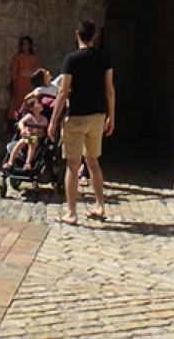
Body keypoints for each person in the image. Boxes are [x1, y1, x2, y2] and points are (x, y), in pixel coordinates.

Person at [48, 20, 114, 225]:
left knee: (73, 166)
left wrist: (53, 121)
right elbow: (109, 89)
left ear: (77, 34)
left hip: (76, 116)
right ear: (94, 36)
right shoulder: (104, 58)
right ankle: (100, 206)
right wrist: (112, 115)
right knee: (93, 163)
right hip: (97, 117)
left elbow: (63, 91)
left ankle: (71, 212)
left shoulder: (71, 59)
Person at [4, 93, 50, 171]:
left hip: (37, 138)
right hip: (28, 136)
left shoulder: (44, 119)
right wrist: (23, 129)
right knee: (21, 142)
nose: (41, 104)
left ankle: (28, 163)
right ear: (32, 108)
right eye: (38, 104)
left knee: (33, 141)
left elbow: (45, 130)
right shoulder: (30, 116)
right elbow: (21, 122)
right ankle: (10, 162)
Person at [7, 35, 41, 124]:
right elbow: (14, 72)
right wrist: (15, 85)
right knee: (17, 104)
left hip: (30, 85)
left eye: (27, 44)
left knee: (28, 103)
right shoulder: (18, 58)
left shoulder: (33, 58)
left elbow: (37, 72)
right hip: (20, 85)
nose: (26, 46)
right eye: (24, 44)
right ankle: (15, 121)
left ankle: (28, 122)